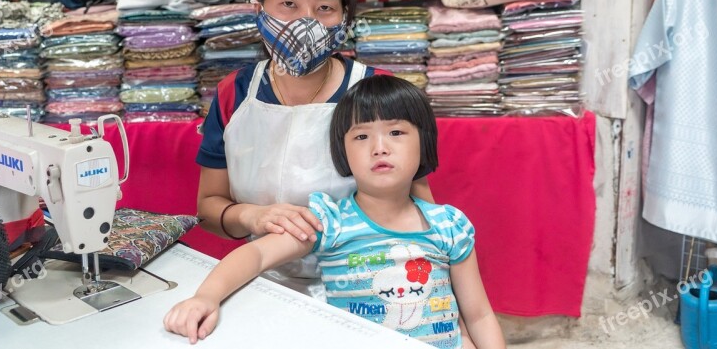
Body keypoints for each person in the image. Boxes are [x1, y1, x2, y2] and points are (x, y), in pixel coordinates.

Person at [166, 75, 506, 349]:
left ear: (425, 142)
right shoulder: (329, 222)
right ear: (341, 153)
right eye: (361, 136)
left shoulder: (450, 226)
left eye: (396, 132)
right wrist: (206, 297)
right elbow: (253, 256)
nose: (379, 147)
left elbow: (478, 316)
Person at [195, 0, 433, 297]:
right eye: (288, 3)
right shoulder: (235, 94)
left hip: (369, 286)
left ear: (345, 17)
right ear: (259, 9)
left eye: (324, 8)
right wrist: (252, 216)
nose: (306, 22)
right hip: (260, 282)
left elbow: (421, 209)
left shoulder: (378, 94)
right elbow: (209, 207)